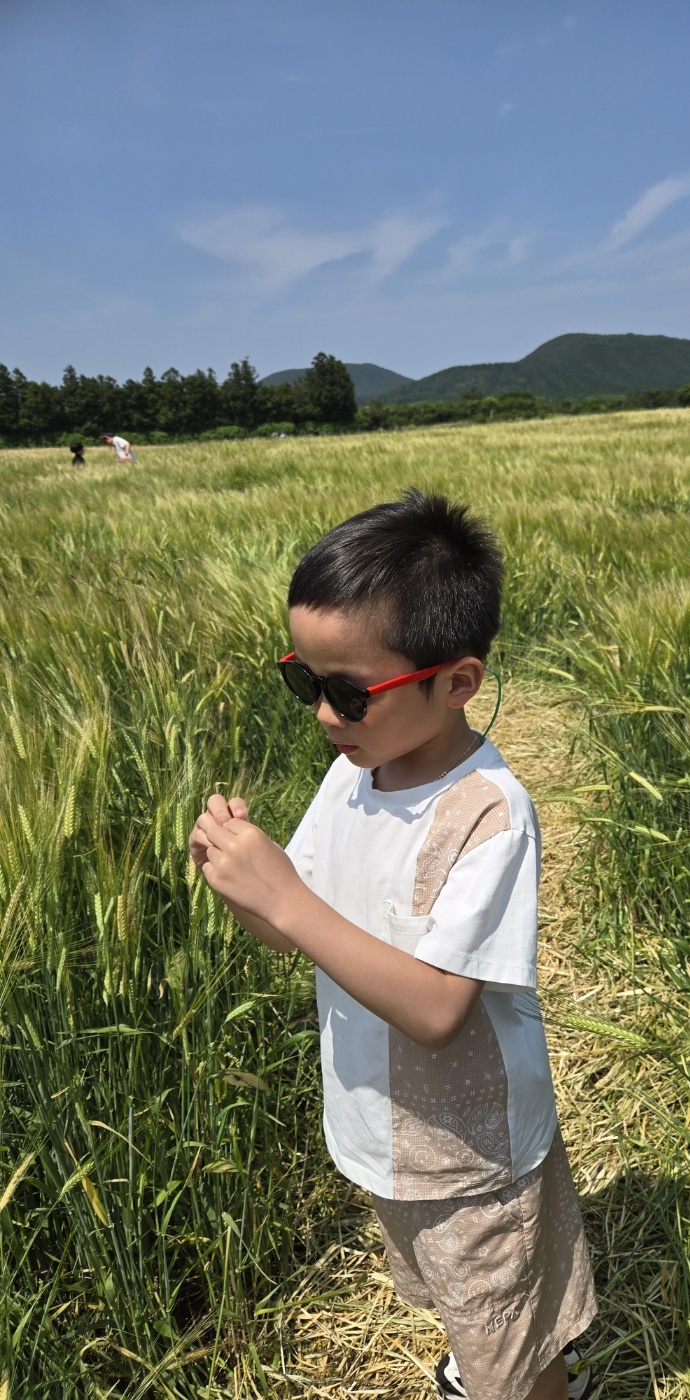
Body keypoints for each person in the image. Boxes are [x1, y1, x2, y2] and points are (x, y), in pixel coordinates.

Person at [189, 490, 597, 1400]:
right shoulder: (353, 777)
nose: (324, 717)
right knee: (468, 1304)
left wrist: (285, 900)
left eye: (347, 693)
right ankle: (489, 1354)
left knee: (511, 1351)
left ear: (455, 682)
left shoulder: (488, 814)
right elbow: (298, 930)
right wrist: (241, 888)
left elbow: (437, 1009)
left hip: (471, 1153)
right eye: (305, 681)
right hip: (379, 1128)